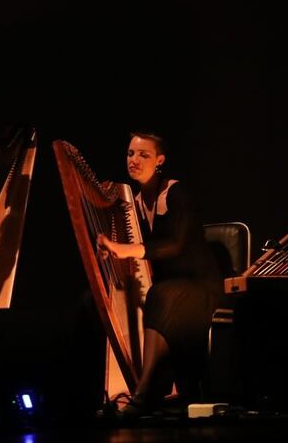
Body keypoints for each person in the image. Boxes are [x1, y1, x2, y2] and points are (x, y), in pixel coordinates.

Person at [96, 131, 224, 416]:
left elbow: (175, 245)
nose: (135, 160)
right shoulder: (136, 202)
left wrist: (126, 249)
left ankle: (144, 394)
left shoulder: (177, 193)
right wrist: (112, 249)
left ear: (160, 161)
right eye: (131, 153)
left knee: (160, 294)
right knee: (139, 296)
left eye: (144, 155)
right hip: (170, 290)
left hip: (201, 288)